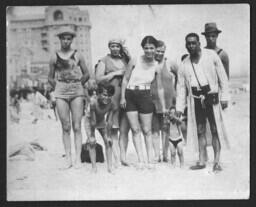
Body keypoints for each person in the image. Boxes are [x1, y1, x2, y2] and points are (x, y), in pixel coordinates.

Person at [176, 33, 229, 172]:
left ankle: (217, 161)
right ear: (186, 45)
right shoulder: (184, 64)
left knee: (215, 129)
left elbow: (222, 77)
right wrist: (179, 108)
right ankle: (202, 160)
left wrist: (224, 97)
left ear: (199, 43)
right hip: (196, 99)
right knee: (199, 130)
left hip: (211, 97)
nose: (191, 46)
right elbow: (181, 88)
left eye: (194, 43)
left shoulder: (211, 55)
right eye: (188, 43)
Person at [120, 35, 166, 169]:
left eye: (152, 48)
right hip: (130, 94)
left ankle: (150, 160)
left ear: (156, 49)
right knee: (135, 129)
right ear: (143, 48)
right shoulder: (135, 60)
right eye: (146, 48)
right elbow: (125, 79)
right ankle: (141, 160)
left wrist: (163, 107)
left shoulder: (157, 66)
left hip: (145, 95)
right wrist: (123, 97)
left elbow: (160, 87)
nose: (149, 51)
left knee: (147, 130)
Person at [48, 27, 90, 169]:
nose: (66, 41)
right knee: (65, 126)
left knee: (77, 126)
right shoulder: (54, 56)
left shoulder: (78, 55)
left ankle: (78, 158)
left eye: (68, 38)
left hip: (76, 90)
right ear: (59, 39)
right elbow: (50, 77)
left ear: (72, 40)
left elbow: (86, 74)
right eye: (63, 38)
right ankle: (68, 158)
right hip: (61, 91)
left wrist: (78, 84)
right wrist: (58, 87)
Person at [95, 39, 130, 166]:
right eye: (112, 46)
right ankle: (116, 158)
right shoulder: (104, 61)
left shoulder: (126, 60)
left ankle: (123, 157)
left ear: (121, 47)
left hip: (126, 97)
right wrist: (115, 73)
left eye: (117, 46)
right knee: (114, 129)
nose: (115, 48)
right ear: (109, 47)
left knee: (125, 129)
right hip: (113, 98)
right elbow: (98, 79)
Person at [151, 40, 178, 162]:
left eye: (162, 51)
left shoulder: (170, 63)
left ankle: (165, 155)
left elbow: (180, 76)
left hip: (168, 100)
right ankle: (157, 155)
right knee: (154, 128)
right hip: (152, 99)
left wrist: (175, 90)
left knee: (166, 128)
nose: (160, 53)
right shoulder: (150, 64)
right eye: (158, 51)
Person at [84, 81, 116, 173]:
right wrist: (92, 136)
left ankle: (110, 167)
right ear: (98, 94)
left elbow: (109, 121)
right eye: (104, 95)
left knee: (109, 142)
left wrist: (109, 136)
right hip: (90, 121)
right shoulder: (93, 102)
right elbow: (93, 122)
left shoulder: (111, 103)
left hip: (101, 120)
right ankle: (94, 167)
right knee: (92, 142)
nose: (107, 98)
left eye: (109, 95)